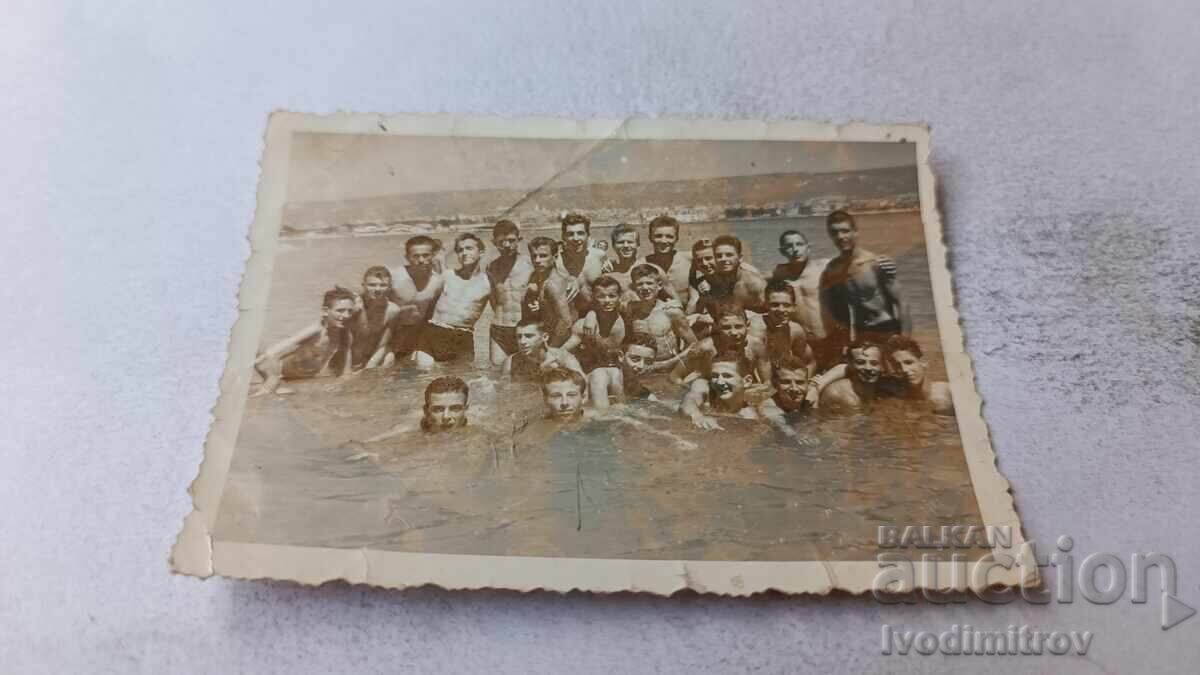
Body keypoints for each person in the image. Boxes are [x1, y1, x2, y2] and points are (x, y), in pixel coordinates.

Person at [819, 210, 910, 356]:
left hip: (887, 329)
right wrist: (842, 341)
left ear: (855, 232)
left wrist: (905, 340)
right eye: (835, 232)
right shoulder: (832, 270)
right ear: (830, 235)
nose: (840, 237)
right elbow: (834, 310)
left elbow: (901, 303)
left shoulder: (875, 263)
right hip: (860, 334)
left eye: (845, 231)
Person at [252, 287, 356, 396]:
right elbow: (273, 353)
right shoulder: (315, 331)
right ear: (326, 311)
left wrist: (337, 383)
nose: (346, 315)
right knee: (259, 352)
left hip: (308, 378)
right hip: (284, 376)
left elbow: (343, 371)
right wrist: (271, 380)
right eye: (340, 310)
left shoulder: (345, 336)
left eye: (350, 311)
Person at [415, 233, 491, 366]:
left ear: (481, 252)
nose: (464, 253)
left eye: (469, 248)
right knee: (425, 375)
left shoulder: (488, 283)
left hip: (462, 337)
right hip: (434, 332)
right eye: (460, 250)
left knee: (460, 376)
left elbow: (502, 305)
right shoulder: (447, 275)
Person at [670, 302, 771, 386]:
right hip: (713, 390)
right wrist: (690, 393)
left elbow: (767, 382)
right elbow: (675, 376)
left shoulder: (756, 346)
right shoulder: (705, 348)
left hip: (744, 388)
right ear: (717, 328)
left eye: (738, 326)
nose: (734, 333)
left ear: (747, 325)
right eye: (726, 328)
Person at [624, 263, 697, 371]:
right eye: (640, 284)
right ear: (634, 287)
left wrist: (664, 364)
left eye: (649, 283)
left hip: (667, 370)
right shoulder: (630, 310)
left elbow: (694, 345)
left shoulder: (671, 311)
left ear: (659, 285)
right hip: (638, 369)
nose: (645, 288)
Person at [388, 235, 445, 363]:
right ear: (407, 257)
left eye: (426, 255)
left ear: (433, 256)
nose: (421, 260)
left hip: (417, 334)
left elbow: (432, 314)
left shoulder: (437, 282)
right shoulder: (394, 276)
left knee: (426, 367)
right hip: (392, 333)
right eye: (415, 256)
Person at [485, 219, 534, 366]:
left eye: (511, 240)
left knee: (528, 371)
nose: (507, 245)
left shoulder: (531, 264)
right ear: (494, 242)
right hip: (499, 328)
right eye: (501, 241)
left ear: (519, 240)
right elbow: (493, 299)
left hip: (524, 329)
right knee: (497, 370)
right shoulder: (491, 267)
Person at [770, 230, 830, 347]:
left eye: (799, 244)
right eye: (789, 246)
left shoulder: (824, 267)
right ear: (782, 251)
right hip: (801, 344)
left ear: (808, 248)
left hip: (829, 338)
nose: (795, 249)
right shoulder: (779, 273)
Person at [561, 275, 627, 372]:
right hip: (593, 371)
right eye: (601, 296)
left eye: (612, 296)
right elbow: (561, 352)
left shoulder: (627, 316)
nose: (607, 301)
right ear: (593, 297)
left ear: (619, 297)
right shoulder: (582, 325)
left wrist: (591, 313)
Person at [679, 351, 760, 429]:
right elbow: (689, 400)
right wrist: (697, 416)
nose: (719, 382)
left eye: (727, 376)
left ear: (747, 381)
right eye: (715, 376)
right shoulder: (705, 387)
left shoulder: (749, 417)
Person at [523, 236, 575, 347]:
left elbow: (566, 322)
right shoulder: (536, 276)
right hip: (548, 333)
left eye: (543, 256)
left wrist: (552, 348)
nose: (537, 260)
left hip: (561, 339)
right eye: (534, 256)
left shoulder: (554, 284)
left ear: (555, 257)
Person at [350, 266, 404, 370]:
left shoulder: (392, 310)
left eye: (383, 285)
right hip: (350, 354)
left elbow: (382, 345)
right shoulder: (352, 305)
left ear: (389, 287)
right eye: (372, 285)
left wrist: (368, 370)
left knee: (389, 357)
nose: (377, 289)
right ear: (363, 285)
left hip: (372, 354)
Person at [586, 333, 658, 410]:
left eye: (648, 362)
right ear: (621, 356)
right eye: (635, 359)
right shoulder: (601, 376)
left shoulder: (639, 390)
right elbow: (601, 413)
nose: (641, 366)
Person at [761, 278, 816, 377]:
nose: (781, 310)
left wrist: (805, 381)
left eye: (786, 305)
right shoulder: (758, 329)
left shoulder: (795, 330)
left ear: (794, 307)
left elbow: (810, 362)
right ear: (765, 305)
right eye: (775, 305)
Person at [887, 335, 954, 415]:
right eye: (897, 366)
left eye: (909, 362)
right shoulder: (901, 400)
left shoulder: (949, 392)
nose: (904, 370)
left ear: (923, 362)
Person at [503, 318, 584, 382]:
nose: (522, 341)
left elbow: (582, 383)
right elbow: (504, 389)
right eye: (519, 336)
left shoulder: (562, 357)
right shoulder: (512, 361)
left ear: (545, 337)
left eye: (529, 336)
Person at [556, 212, 608, 312]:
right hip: (571, 315)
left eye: (580, 233)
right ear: (563, 237)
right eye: (570, 234)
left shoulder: (599, 255)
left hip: (597, 313)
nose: (576, 238)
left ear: (588, 235)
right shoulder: (557, 261)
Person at [706, 234, 767, 314]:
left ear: (740, 258)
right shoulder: (713, 281)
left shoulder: (754, 284)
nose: (723, 259)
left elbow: (775, 311)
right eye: (719, 256)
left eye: (729, 255)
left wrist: (752, 317)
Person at [819, 340, 885, 411]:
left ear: (882, 365)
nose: (868, 368)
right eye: (860, 362)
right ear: (850, 364)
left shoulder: (881, 387)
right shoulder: (840, 395)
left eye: (874, 363)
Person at [640, 215, 693, 298]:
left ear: (677, 238)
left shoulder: (689, 259)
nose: (663, 241)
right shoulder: (643, 264)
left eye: (669, 236)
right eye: (658, 236)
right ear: (650, 238)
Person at [604, 223, 642, 294]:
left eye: (630, 242)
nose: (626, 245)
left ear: (638, 245)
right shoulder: (608, 272)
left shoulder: (648, 269)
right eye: (620, 242)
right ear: (613, 246)